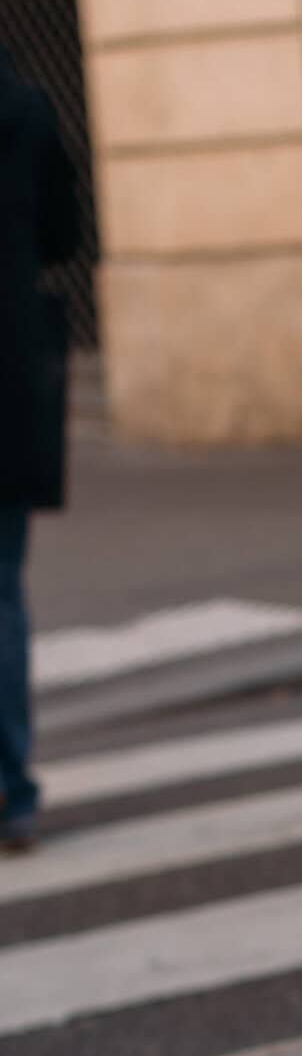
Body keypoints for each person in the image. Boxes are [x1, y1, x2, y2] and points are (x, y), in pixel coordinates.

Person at [0, 45, 78, 853]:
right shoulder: (23, 103)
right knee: (1, 593)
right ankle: (12, 788)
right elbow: (64, 232)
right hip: (8, 374)